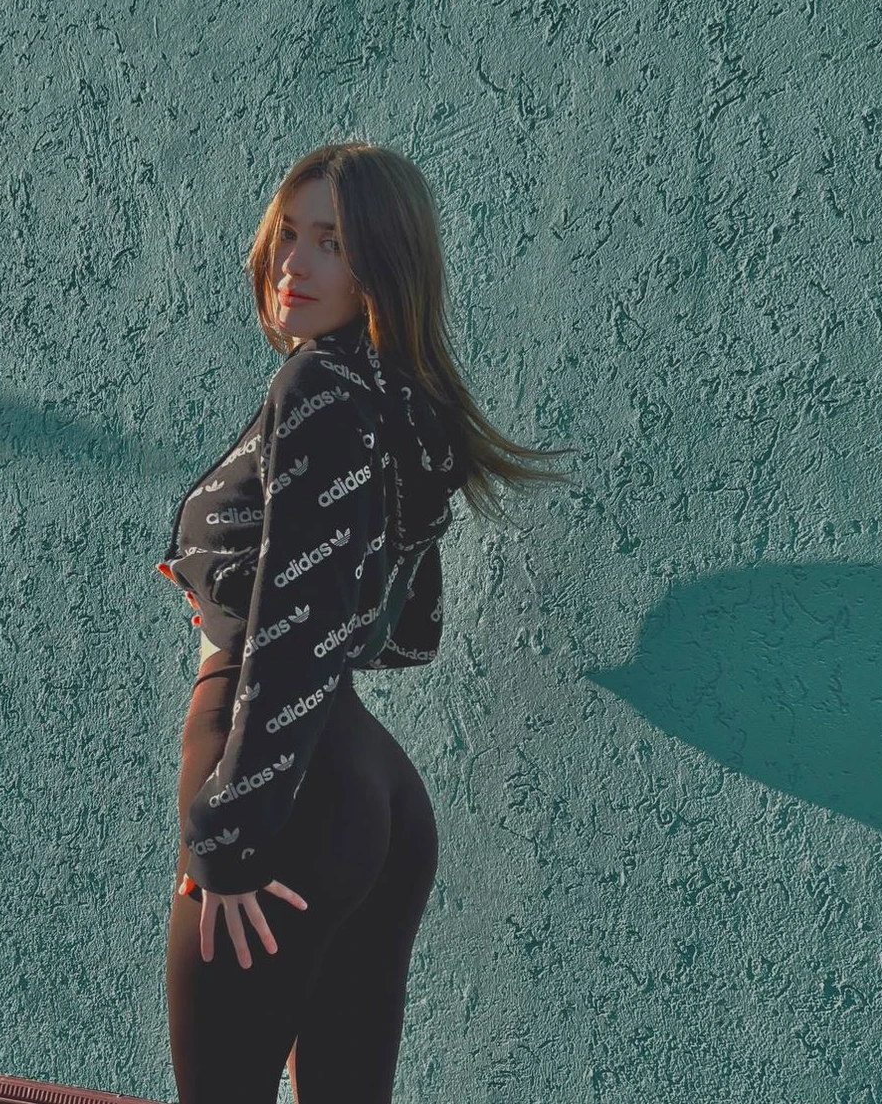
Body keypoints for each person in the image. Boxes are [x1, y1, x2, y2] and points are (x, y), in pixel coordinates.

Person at [157, 143, 572, 1104]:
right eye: (289, 234)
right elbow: (399, 625)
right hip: (372, 793)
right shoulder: (402, 400)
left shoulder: (320, 388)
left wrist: (229, 828)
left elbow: (300, 625)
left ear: (382, 263)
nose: (295, 264)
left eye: (333, 243)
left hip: (283, 784)